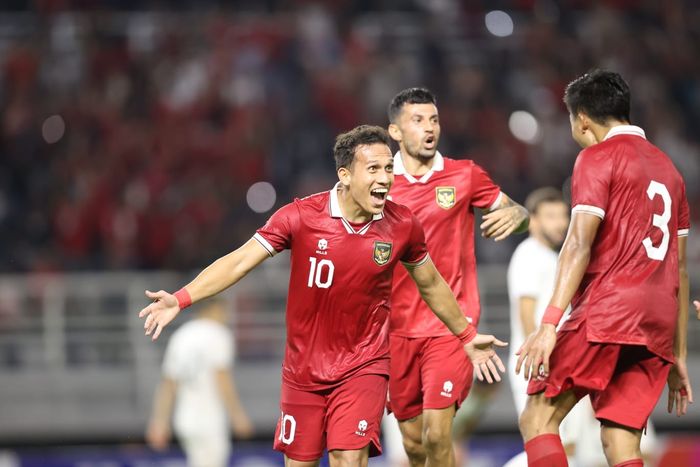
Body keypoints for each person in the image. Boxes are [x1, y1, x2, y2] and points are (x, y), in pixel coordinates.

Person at [139, 125, 507, 467]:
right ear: (345, 175)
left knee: (348, 459)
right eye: (373, 169)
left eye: (388, 169)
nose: (384, 179)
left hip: (365, 364)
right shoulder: (300, 217)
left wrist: (467, 335)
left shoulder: (402, 224)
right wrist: (181, 298)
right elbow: (239, 261)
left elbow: (431, 284)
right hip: (303, 373)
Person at [516, 70, 692, 467]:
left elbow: (578, 242)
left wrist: (549, 323)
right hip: (657, 325)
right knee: (620, 443)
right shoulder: (671, 171)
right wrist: (677, 354)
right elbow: (679, 271)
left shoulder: (597, 157)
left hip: (609, 311)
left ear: (581, 119)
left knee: (538, 416)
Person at [384, 87, 529, 467]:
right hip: (396, 328)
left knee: (437, 432)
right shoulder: (379, 184)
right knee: (413, 444)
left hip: (453, 325)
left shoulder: (464, 175)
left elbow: (516, 211)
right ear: (395, 132)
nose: (429, 128)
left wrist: (519, 216)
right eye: (418, 121)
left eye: (434, 120)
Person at [504, 188, 657, 467]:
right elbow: (527, 312)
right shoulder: (528, 255)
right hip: (541, 361)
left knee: (569, 444)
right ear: (534, 221)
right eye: (550, 216)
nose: (560, 223)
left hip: (565, 356)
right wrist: (539, 362)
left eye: (563, 216)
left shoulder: (554, 257)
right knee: (548, 430)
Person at [146, 298, 254, 467]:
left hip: (185, 419)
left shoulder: (181, 336)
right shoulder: (218, 333)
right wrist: (237, 415)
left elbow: (169, 384)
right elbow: (222, 378)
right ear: (215, 309)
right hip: (209, 419)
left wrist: (159, 421)